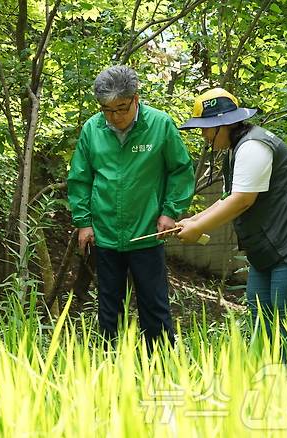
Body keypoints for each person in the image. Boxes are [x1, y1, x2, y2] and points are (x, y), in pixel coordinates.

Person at [177, 88, 287, 335]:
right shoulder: (236, 150)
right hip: (270, 247)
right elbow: (228, 198)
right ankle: (267, 369)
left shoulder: (253, 146)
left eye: (205, 127)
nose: (203, 134)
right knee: (260, 314)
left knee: (286, 318)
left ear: (222, 124)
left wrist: (199, 229)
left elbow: (242, 201)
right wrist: (193, 220)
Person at [67, 65, 195, 350]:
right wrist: (84, 221)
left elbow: (180, 171)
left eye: (121, 108)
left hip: (146, 232)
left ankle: (161, 364)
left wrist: (170, 212)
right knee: (109, 307)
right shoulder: (92, 128)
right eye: (107, 110)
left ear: (136, 98)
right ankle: (112, 367)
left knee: (154, 304)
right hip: (105, 233)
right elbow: (80, 178)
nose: (115, 117)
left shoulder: (160, 124)